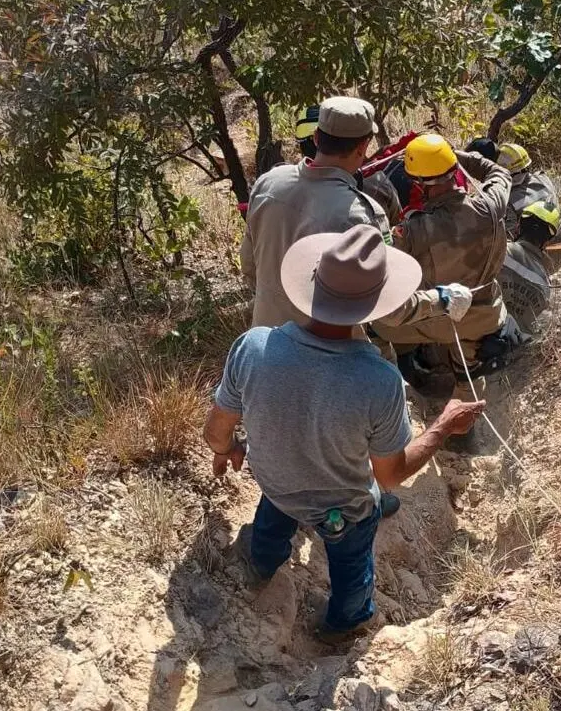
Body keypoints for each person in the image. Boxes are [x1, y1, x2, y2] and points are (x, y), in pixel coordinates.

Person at [204, 225, 485, 639]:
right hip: (342, 508)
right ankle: (344, 622)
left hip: (276, 484)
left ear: (313, 284)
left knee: (273, 517)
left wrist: (227, 448)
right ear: (375, 305)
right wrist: (443, 426)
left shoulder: (253, 346)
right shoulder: (378, 381)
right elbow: (390, 475)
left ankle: (261, 564)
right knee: (353, 556)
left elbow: (215, 433)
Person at [371, 134, 512, 406]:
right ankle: (467, 408)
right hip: (484, 316)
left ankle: (396, 388)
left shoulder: (413, 230)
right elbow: (499, 173)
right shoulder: (490, 205)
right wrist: (456, 156)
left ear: (419, 183)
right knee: (469, 375)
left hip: (437, 318)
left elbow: (380, 260)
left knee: (375, 326)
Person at [241, 96, 390, 328]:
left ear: (316, 137)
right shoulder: (362, 215)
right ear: (363, 147)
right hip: (330, 347)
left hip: (266, 339)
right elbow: (387, 306)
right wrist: (440, 300)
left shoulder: (268, 182)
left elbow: (249, 265)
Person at [295, 105, 403, 225]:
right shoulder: (377, 188)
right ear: (361, 147)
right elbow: (398, 229)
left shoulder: (281, 180)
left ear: (317, 138)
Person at [498, 200, 561, 334]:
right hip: (510, 344)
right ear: (547, 242)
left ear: (518, 226)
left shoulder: (498, 251)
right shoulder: (545, 285)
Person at [496, 142, 560, 240]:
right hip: (557, 235)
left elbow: (507, 239)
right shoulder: (543, 178)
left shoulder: (510, 201)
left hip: (533, 245)